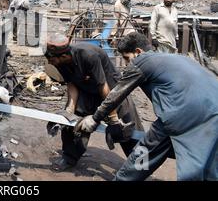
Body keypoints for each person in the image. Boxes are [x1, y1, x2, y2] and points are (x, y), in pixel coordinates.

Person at [75, 32, 218, 181]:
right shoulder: (177, 58)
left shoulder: (142, 61)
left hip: (183, 113)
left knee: (147, 149)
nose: (126, 64)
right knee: (207, 158)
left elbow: (116, 95)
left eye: (126, 58)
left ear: (138, 52)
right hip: (213, 110)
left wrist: (95, 118)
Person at [44, 34, 144, 171]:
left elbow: (103, 87)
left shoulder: (88, 55)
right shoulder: (60, 62)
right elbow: (71, 83)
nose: (50, 63)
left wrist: (113, 118)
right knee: (72, 123)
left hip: (111, 88)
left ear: (63, 56)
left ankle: (141, 166)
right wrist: (70, 109)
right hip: (86, 89)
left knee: (127, 128)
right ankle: (69, 157)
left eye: (51, 60)